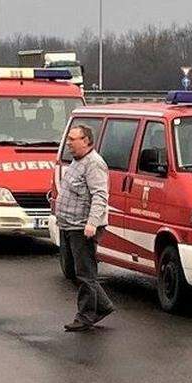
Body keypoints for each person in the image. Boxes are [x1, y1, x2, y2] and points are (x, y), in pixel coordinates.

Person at [55, 124, 113, 332]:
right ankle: (104, 305)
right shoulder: (77, 161)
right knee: (76, 271)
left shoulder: (94, 164)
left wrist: (92, 223)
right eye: (68, 139)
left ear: (87, 141)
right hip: (69, 225)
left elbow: (100, 196)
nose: (68, 143)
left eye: (73, 139)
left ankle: (86, 316)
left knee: (85, 274)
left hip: (82, 227)